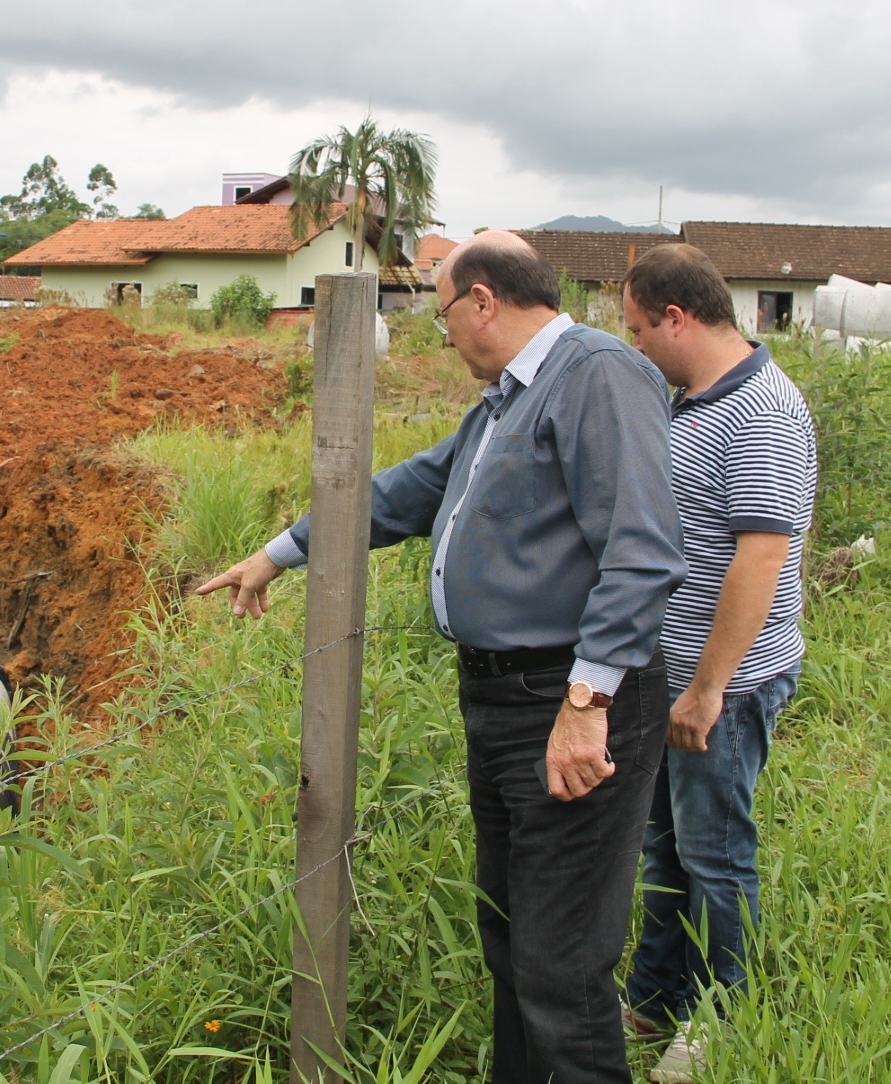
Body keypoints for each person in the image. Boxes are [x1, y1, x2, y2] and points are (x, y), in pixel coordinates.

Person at [197, 231, 687, 1084]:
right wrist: (278, 552)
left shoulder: (597, 375)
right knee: (512, 935)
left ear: (484, 300)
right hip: (507, 701)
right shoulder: (505, 403)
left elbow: (642, 550)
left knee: (560, 962)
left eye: (443, 313)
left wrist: (584, 706)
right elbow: (408, 492)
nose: (444, 333)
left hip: (568, 700)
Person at [616, 245, 816, 1082]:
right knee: (665, 848)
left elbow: (761, 560)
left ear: (676, 318)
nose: (633, 346)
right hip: (675, 675)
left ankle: (723, 1019)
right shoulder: (692, 397)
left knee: (716, 854)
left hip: (721, 687)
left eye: (636, 330)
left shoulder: (760, 411)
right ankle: (655, 997)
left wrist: (706, 690)